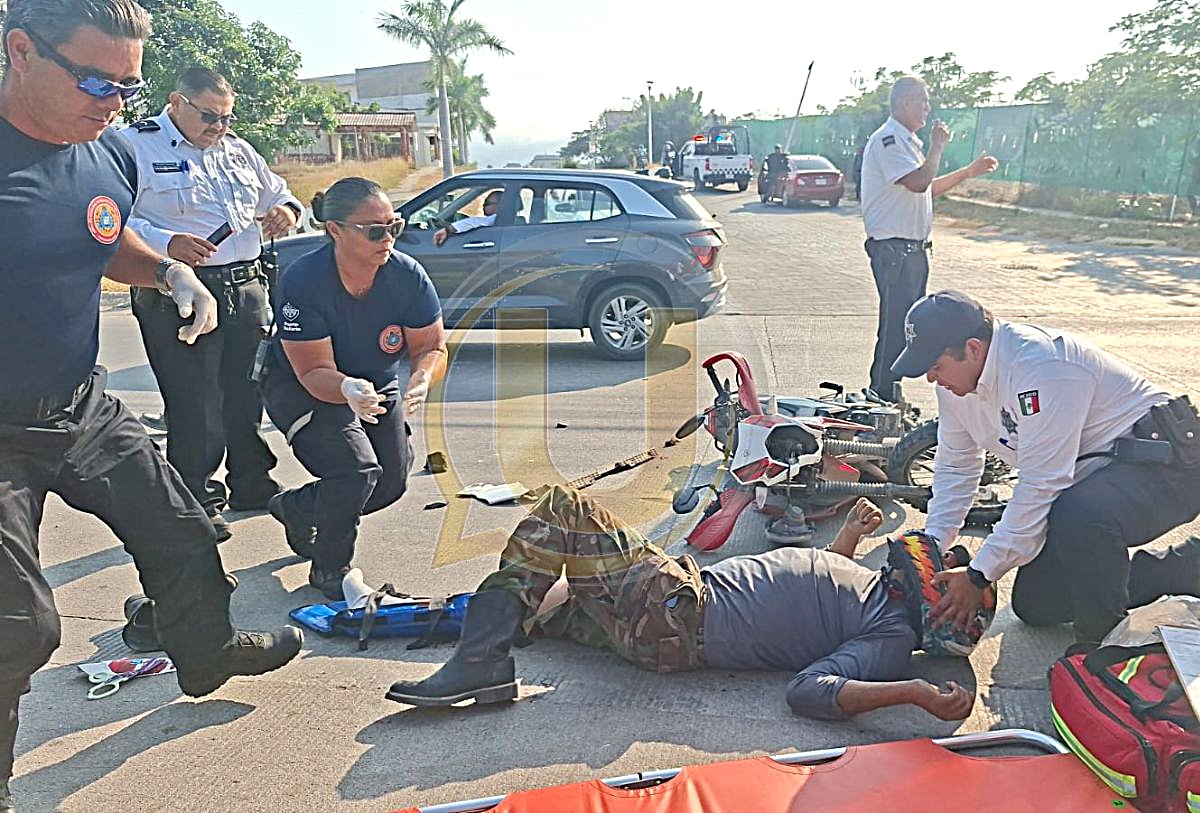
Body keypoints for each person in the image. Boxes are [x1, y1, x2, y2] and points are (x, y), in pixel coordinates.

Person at [0, 2, 302, 807]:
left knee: (185, 528)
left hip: (79, 403)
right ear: (21, 51)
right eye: (97, 80)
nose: (113, 103)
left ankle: (205, 654)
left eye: (128, 88)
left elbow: (104, 241)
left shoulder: (108, 158)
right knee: (16, 628)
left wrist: (171, 273)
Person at [387, 488, 978, 722]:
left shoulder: (890, 640)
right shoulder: (875, 594)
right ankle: (466, 642)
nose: (945, 566)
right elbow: (818, 591)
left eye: (950, 580)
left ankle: (483, 662)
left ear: (942, 613)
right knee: (543, 598)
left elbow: (809, 689)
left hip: (677, 610)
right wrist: (847, 533)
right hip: (664, 625)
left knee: (565, 511)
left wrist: (915, 693)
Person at [890, 290, 1200, 648]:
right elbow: (957, 466)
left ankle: (1102, 639)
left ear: (974, 348)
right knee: (1036, 604)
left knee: (1079, 514)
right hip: (1090, 476)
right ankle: (1186, 567)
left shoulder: (1044, 368)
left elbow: (1041, 484)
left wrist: (978, 575)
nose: (931, 379)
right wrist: (933, 547)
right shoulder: (956, 386)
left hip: (1167, 466)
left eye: (936, 366)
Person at [119, 66, 303, 540]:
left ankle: (250, 479)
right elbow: (114, 217)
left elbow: (279, 192)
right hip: (177, 287)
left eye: (226, 118)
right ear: (176, 102)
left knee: (246, 392)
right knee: (194, 399)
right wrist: (167, 242)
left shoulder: (237, 150)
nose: (219, 127)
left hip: (246, 285)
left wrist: (287, 210)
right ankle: (195, 497)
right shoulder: (134, 145)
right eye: (209, 116)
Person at [261, 177, 447, 599]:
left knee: (389, 482)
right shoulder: (305, 279)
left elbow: (431, 346)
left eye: (394, 226)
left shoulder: (406, 275)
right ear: (335, 230)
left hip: (375, 385)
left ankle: (297, 507)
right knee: (355, 469)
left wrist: (421, 378)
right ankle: (331, 569)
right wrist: (346, 388)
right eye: (375, 230)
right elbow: (312, 373)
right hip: (304, 385)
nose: (388, 239)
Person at [859, 76, 999, 400]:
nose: (927, 108)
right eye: (922, 101)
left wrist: (967, 172)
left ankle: (888, 392)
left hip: (913, 250)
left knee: (907, 325)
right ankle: (881, 394)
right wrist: (937, 146)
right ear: (905, 103)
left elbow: (928, 190)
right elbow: (920, 182)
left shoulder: (908, 142)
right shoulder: (889, 140)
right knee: (897, 327)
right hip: (895, 250)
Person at [432, 188, 501, 246]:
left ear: (500, 205)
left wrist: (449, 229)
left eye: (487, 203)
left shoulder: (496, 219)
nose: (483, 206)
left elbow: (475, 222)